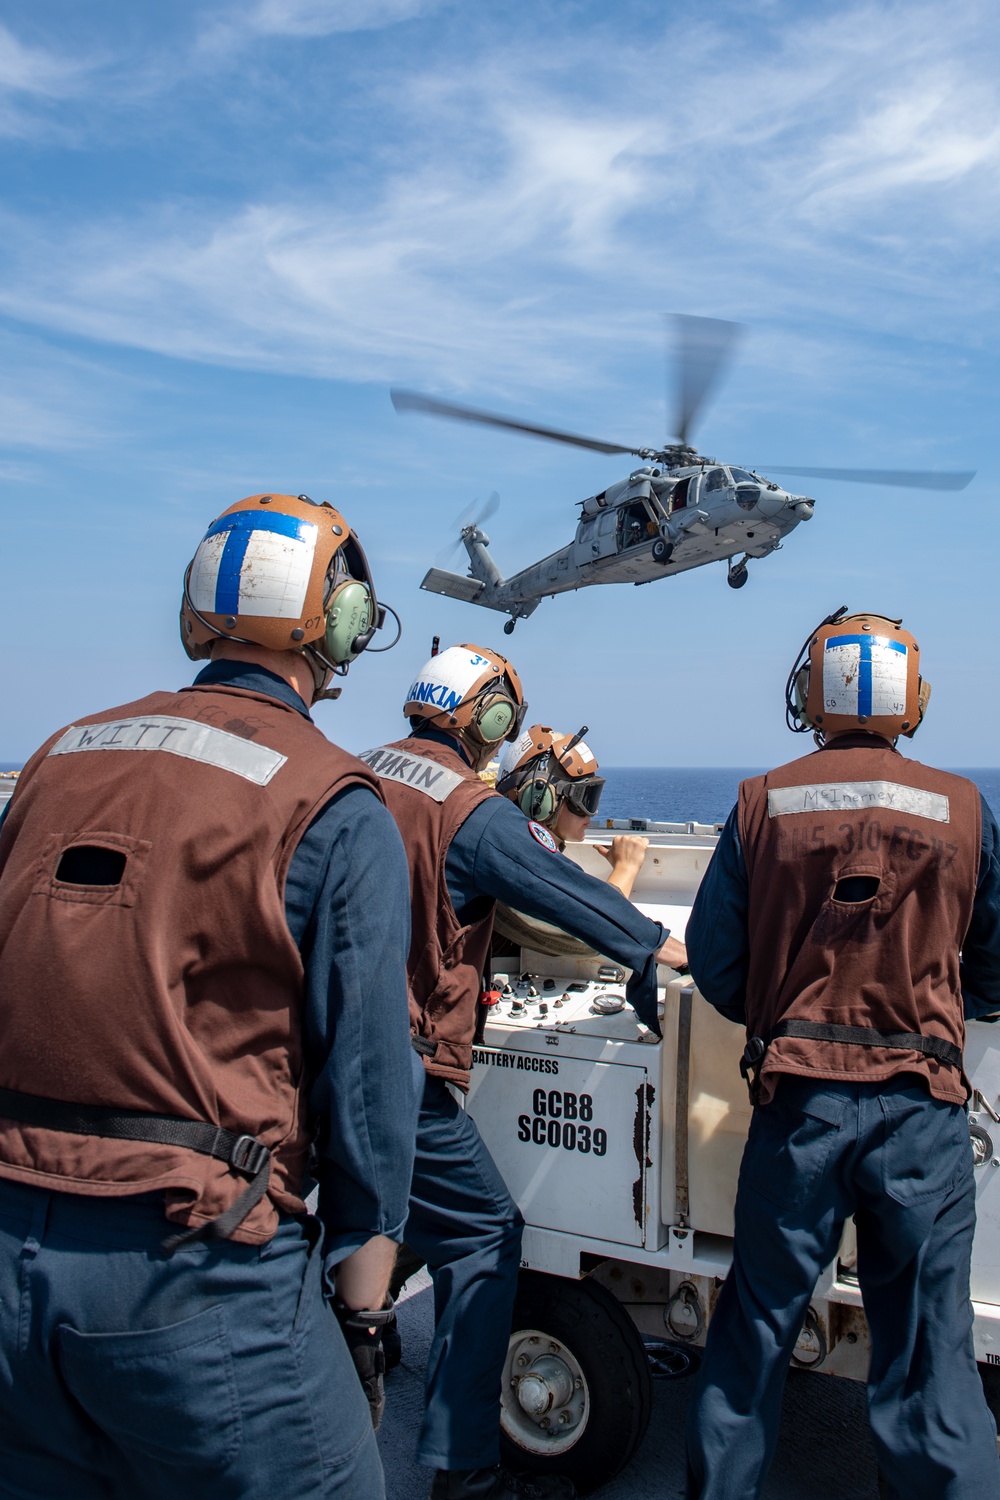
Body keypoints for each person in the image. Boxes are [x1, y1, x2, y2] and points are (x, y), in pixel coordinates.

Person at [0, 492, 419, 1499]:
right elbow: (368, 1093)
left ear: (198, 613)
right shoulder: (330, 795)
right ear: (340, 625)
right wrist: (362, 1314)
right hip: (191, 1269)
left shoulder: (58, 758)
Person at [683, 607, 1000, 1500]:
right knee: (932, 1357)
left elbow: (716, 962)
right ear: (917, 699)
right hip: (921, 1114)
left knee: (752, 1334)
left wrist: (783, 1014)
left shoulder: (761, 801)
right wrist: (936, 1011)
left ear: (807, 695)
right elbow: (996, 964)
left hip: (799, 1113)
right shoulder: (965, 806)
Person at [359, 643, 687, 1500]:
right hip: (398, 1066)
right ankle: (466, 1472)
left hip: (310, 1054)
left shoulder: (348, 774)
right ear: (491, 719)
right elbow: (564, 898)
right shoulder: (474, 810)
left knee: (356, 1211)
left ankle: (354, 1337)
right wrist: (655, 945)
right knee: (481, 1233)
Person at [495, 723, 649, 897]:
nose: (594, 812)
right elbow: (598, 922)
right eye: (583, 798)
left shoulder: (507, 849)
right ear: (541, 798)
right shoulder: (533, 870)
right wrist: (626, 867)